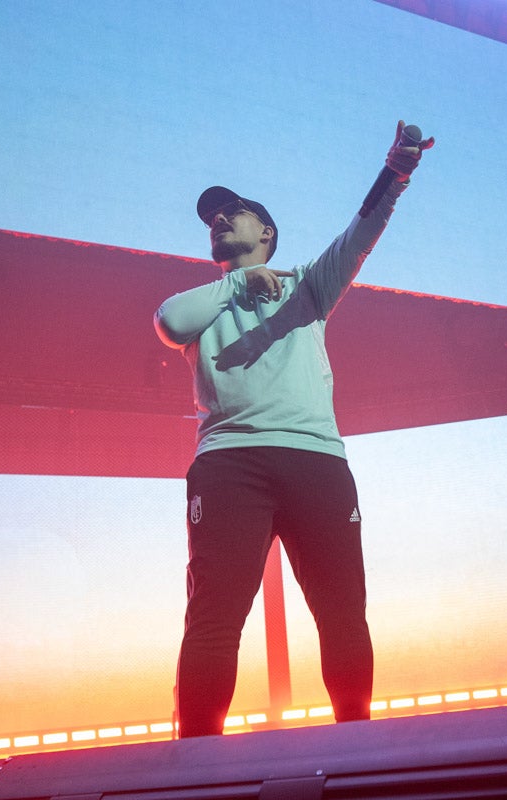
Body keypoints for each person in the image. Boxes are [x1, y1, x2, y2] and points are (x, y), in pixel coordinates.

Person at [153, 121, 426, 737]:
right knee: (215, 616)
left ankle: (356, 741)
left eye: (235, 213)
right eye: (212, 219)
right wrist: (234, 283)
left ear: (266, 233)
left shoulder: (309, 282)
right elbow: (169, 321)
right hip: (229, 465)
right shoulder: (208, 298)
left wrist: (397, 171)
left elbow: (362, 234)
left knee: (341, 614)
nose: (220, 220)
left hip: (315, 463)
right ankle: (197, 763)